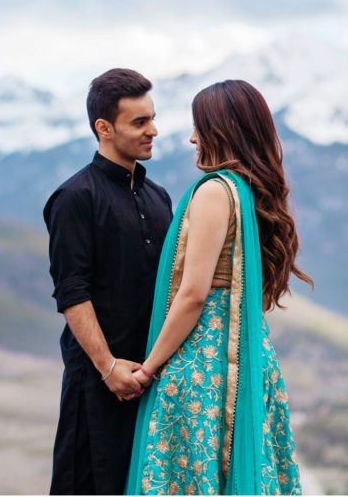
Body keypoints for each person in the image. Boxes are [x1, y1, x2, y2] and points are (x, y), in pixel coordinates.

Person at [124, 79, 313, 495]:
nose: (193, 138)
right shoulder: (253, 192)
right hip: (250, 356)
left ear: (221, 130)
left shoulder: (215, 192)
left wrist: (149, 369)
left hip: (204, 365)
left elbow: (193, 295)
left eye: (199, 126)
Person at [45, 68, 174, 495]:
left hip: (152, 381)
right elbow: (72, 292)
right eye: (139, 122)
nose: (153, 130)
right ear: (104, 128)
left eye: (152, 118)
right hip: (97, 387)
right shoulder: (75, 198)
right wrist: (108, 368)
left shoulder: (159, 198)